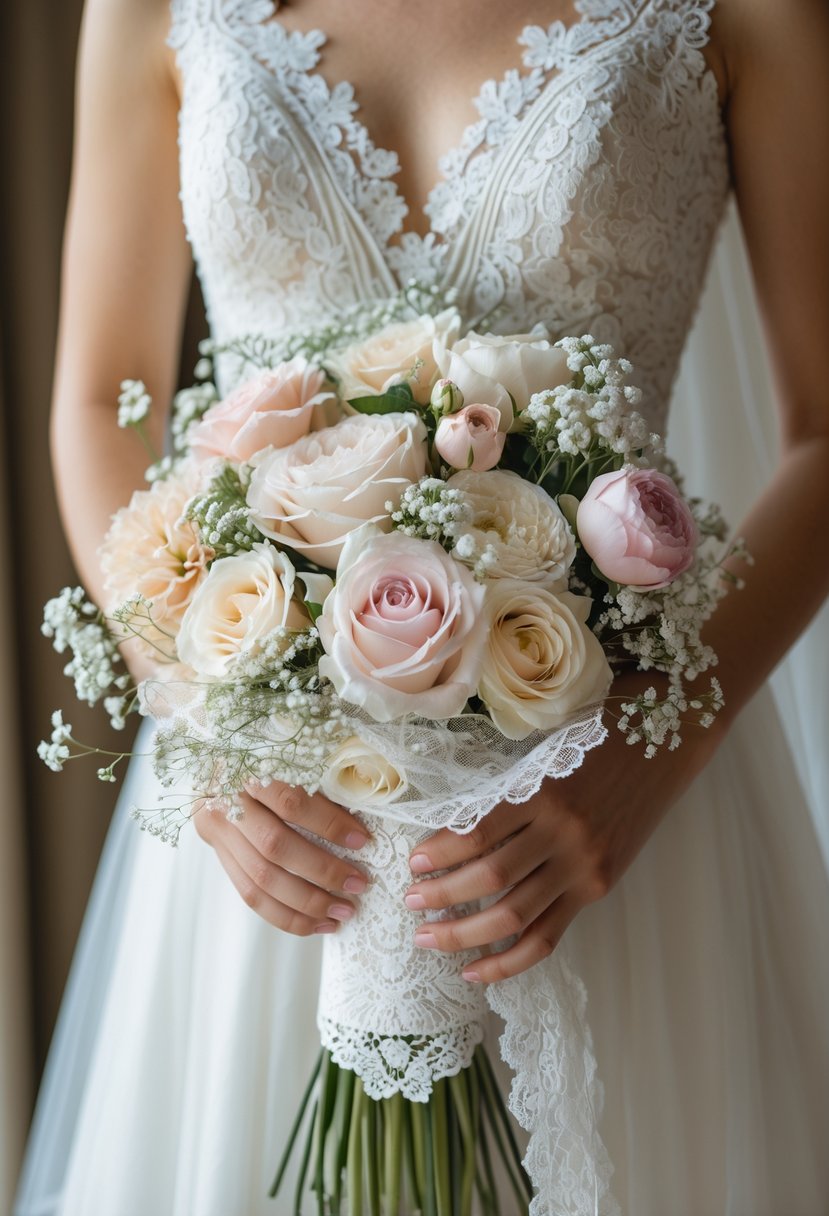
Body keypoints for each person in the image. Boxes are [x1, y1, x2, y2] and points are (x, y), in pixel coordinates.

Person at [14, 0, 829, 1212]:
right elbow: (99, 394)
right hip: (276, 837)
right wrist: (196, 707)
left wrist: (647, 763)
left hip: (606, 820)